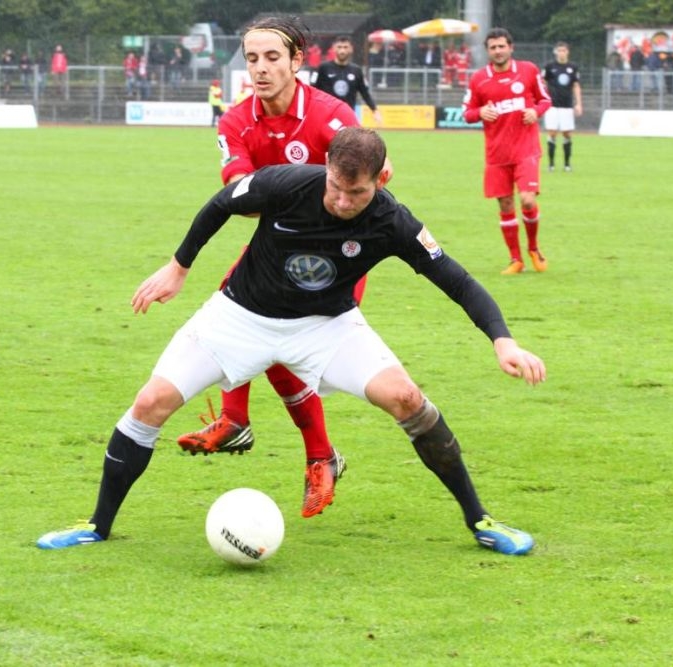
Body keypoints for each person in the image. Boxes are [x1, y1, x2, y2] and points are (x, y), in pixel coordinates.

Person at [36, 127, 545, 556]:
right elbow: (221, 203)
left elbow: (458, 280)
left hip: (326, 327)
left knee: (407, 398)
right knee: (150, 403)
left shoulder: (393, 221)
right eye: (336, 187)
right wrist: (179, 266)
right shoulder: (285, 183)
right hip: (238, 317)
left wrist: (503, 341)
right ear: (326, 169)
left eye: (356, 193)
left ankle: (480, 521)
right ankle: (96, 526)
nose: (342, 201)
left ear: (381, 179)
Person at [178, 16, 376, 519]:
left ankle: (307, 450)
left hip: (335, 257)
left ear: (296, 61)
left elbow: (378, 174)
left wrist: (306, 195)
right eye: (252, 58)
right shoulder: (235, 121)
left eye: (272, 57)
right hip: (278, 248)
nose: (260, 68)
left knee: (274, 340)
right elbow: (239, 197)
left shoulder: (330, 116)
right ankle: (247, 425)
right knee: (232, 307)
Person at [463, 27, 551, 275]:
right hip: (497, 154)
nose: (498, 51)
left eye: (502, 46)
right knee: (505, 204)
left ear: (511, 48)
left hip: (526, 149)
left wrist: (536, 111)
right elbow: (467, 113)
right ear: (487, 51)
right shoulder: (479, 79)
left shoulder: (528, 70)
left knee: (527, 199)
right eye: (493, 47)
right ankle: (516, 259)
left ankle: (533, 248)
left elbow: (545, 100)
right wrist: (480, 112)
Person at [310, 35, 382, 125]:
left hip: (347, 117)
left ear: (351, 49)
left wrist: (375, 110)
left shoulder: (356, 70)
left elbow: (365, 93)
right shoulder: (323, 68)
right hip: (327, 117)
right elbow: (312, 91)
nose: (342, 51)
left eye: (345, 47)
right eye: (339, 47)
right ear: (334, 48)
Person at [542, 41, 582, 173]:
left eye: (563, 50)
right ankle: (551, 164)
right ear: (556, 52)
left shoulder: (573, 67)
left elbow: (576, 86)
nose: (561, 53)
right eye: (559, 50)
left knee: (567, 133)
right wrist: (542, 98)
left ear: (567, 52)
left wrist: (578, 103)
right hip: (552, 105)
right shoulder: (549, 67)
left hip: (567, 105)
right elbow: (542, 83)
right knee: (552, 132)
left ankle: (567, 164)